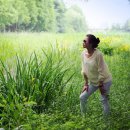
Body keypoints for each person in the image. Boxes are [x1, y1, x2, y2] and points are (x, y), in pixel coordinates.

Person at [79, 34, 112, 117]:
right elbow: (84, 70)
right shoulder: (83, 54)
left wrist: (101, 85)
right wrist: (86, 84)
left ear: (90, 44)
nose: (83, 42)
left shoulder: (98, 54)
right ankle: (84, 118)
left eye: (85, 41)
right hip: (93, 82)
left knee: (103, 100)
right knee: (82, 97)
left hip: (105, 81)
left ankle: (106, 122)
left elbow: (101, 71)